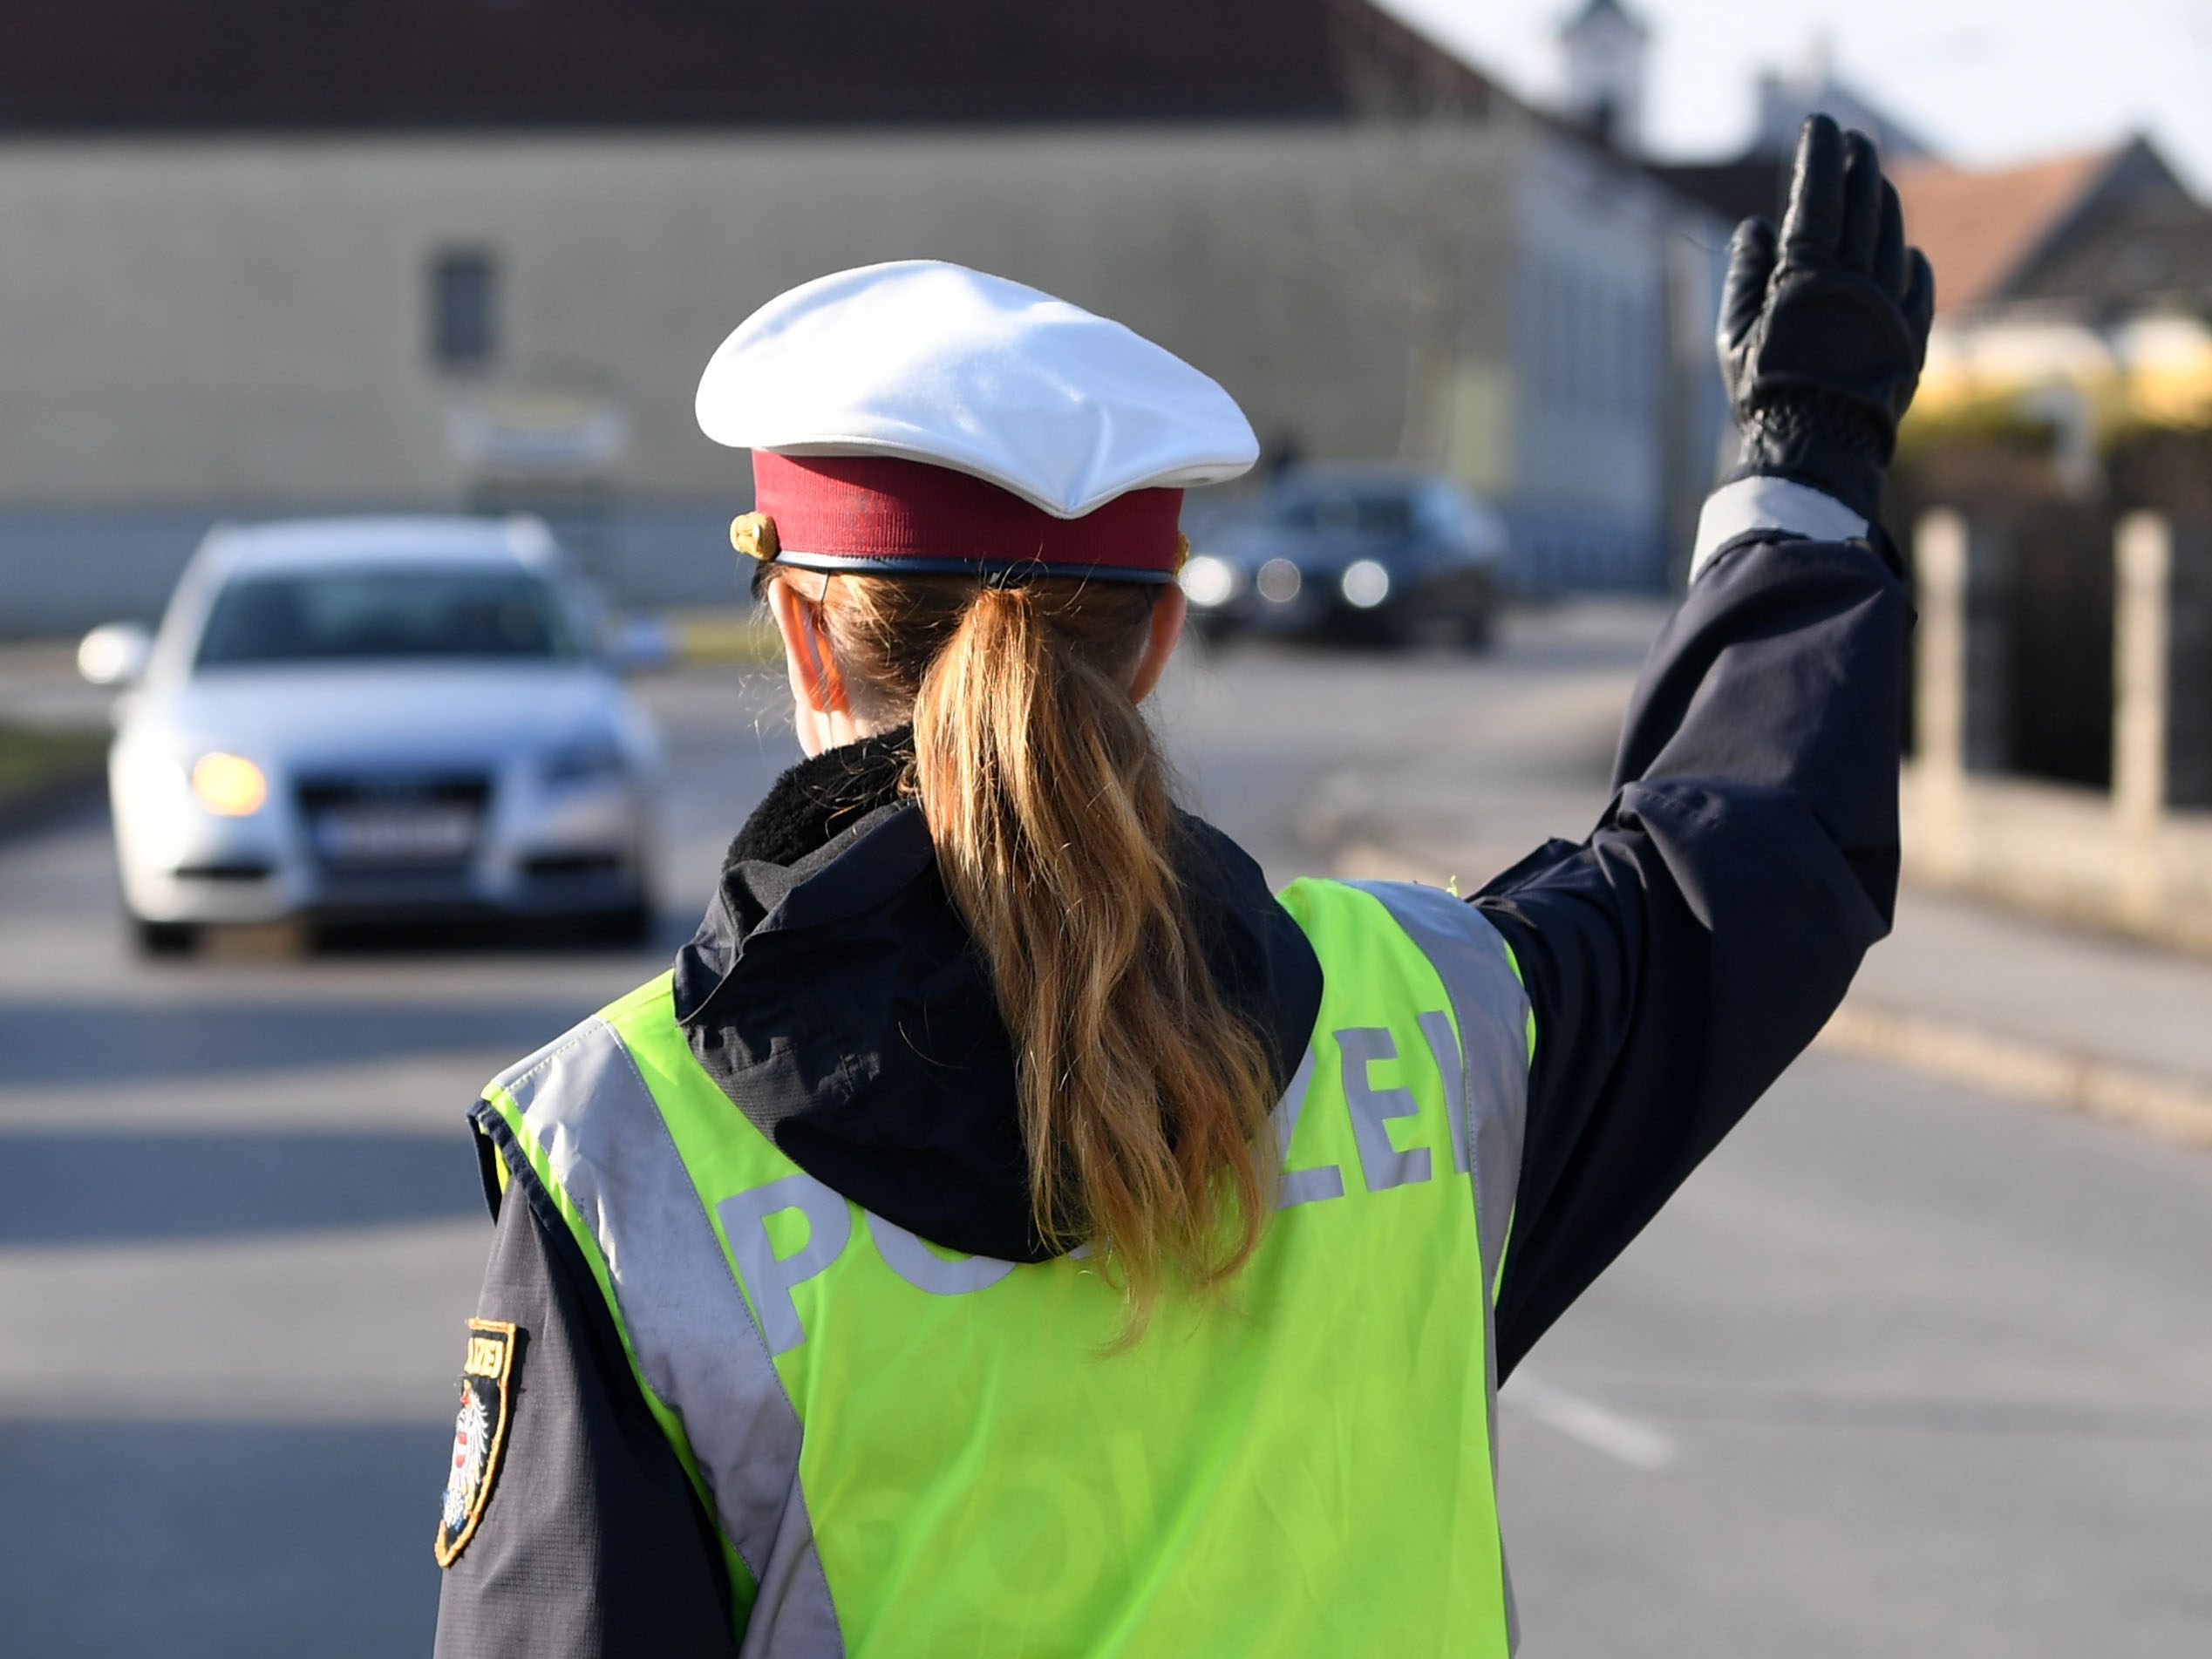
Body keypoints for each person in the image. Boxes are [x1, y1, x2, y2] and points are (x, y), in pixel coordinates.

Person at [432, 113, 1930, 1657]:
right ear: (1154, 643)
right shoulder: (1428, 1015)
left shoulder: (627, 1150)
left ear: (805, 635)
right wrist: (1803, 465)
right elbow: (1738, 860)